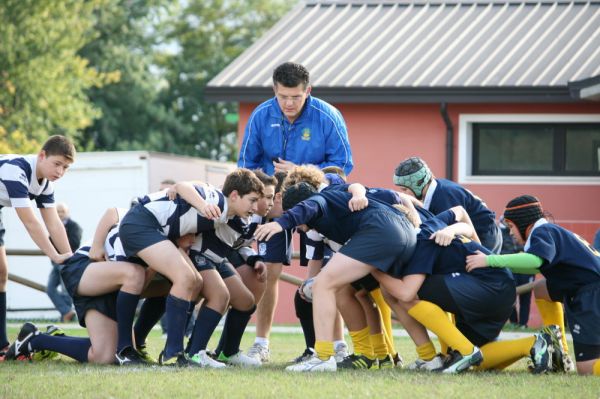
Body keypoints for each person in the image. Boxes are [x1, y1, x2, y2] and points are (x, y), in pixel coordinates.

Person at [240, 61, 354, 362]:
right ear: (274, 91)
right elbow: (246, 165)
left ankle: (338, 345)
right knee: (268, 271)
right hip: (272, 205)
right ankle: (262, 343)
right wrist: (264, 198)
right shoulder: (261, 115)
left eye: (296, 97)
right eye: (283, 97)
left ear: (308, 91)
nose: (289, 103)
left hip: (317, 205)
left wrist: (301, 172)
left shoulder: (328, 117)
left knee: (327, 274)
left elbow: (342, 167)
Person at [255, 182, 416, 372]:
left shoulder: (318, 201)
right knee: (350, 292)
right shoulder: (332, 204)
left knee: (323, 284)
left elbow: (311, 205)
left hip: (381, 231)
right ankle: (373, 355)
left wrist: (280, 223)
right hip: (404, 233)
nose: (298, 227)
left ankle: (323, 357)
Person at [466, 195, 600, 375]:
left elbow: (535, 261)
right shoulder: (548, 231)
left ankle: (562, 351)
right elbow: (533, 267)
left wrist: (489, 260)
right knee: (541, 289)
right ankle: (560, 349)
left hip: (591, 293)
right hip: (584, 286)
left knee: (588, 369)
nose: (511, 233)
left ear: (524, 224)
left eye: (511, 226)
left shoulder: (542, 232)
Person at [0, 135, 75, 361]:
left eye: (66, 167)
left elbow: (54, 224)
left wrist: (71, 258)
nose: (60, 171)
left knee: (1, 273)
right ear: (42, 155)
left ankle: (2, 345)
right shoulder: (16, 171)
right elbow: (30, 222)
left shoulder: (45, 184)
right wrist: (53, 255)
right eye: (57, 164)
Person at [393, 156, 502, 253]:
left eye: (405, 189)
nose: (404, 193)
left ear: (418, 184)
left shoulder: (445, 196)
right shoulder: (436, 190)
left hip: (485, 234)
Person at [47, 202, 82, 322]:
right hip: (56, 262)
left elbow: (75, 243)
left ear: (67, 213)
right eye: (58, 211)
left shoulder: (74, 226)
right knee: (50, 289)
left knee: (66, 290)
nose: (60, 214)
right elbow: (49, 243)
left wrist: (61, 235)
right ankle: (66, 311)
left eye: (62, 211)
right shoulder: (52, 226)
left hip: (67, 262)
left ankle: (67, 316)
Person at [499, 217, 532, 328]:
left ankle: (523, 324)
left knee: (525, 297)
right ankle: (513, 323)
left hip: (525, 267)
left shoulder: (525, 231)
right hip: (510, 267)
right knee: (510, 295)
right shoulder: (500, 232)